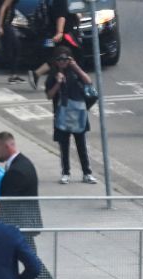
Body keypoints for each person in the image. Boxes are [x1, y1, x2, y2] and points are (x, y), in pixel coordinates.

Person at [0, 131, 67, 279]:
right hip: (21, 226)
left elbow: (7, 204)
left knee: (18, 267)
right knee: (34, 266)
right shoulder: (20, 164)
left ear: (7, 146)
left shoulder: (17, 170)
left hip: (19, 227)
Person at [45, 47, 96, 184]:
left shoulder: (75, 72)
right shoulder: (53, 75)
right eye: (59, 59)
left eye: (65, 59)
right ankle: (66, 172)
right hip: (62, 114)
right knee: (64, 145)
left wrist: (76, 67)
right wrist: (58, 83)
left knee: (81, 144)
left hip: (78, 113)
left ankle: (87, 172)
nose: (62, 62)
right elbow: (49, 95)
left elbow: (88, 81)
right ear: (56, 61)